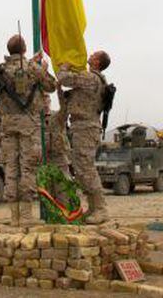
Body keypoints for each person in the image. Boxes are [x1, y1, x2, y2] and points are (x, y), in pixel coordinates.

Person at [0, 35, 56, 226]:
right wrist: (43, 69)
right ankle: (27, 217)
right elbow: (51, 86)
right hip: (29, 125)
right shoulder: (31, 68)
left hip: (8, 124)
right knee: (28, 168)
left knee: (11, 168)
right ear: (24, 49)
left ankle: (14, 217)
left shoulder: (1, 69)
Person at [57, 50, 111, 224]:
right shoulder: (93, 79)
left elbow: (65, 79)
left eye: (94, 55)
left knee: (86, 170)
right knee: (81, 171)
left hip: (86, 127)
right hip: (82, 127)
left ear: (97, 62)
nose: (90, 54)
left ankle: (101, 209)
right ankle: (93, 208)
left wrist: (64, 66)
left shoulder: (92, 78)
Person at [43, 89, 72, 205]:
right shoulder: (35, 119)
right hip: (44, 159)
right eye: (42, 98)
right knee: (48, 192)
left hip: (59, 157)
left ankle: (65, 216)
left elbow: (65, 110)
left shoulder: (57, 116)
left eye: (47, 98)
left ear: (50, 100)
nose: (45, 100)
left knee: (63, 189)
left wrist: (60, 93)